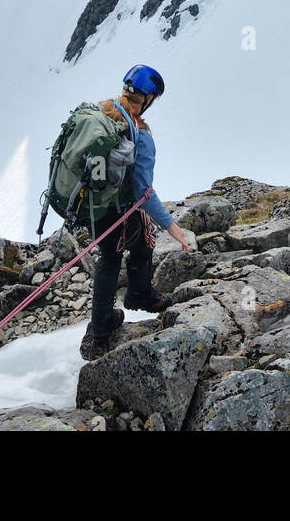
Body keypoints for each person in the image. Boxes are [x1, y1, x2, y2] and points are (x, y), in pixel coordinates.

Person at [80, 64, 189, 360]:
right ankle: (111, 316)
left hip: (87, 204)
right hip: (113, 209)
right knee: (123, 249)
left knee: (116, 250)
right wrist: (172, 226)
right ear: (149, 98)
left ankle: (124, 305)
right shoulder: (140, 134)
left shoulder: (101, 111)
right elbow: (145, 193)